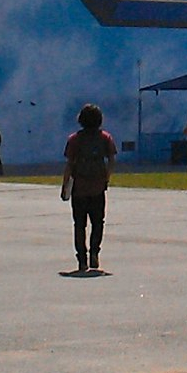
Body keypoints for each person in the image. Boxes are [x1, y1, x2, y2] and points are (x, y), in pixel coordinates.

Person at [61, 104, 117, 271]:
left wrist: (65, 185)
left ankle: (81, 259)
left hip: (79, 187)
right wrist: (106, 178)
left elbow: (69, 165)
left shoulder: (74, 139)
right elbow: (112, 161)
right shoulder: (105, 137)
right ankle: (94, 252)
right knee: (98, 222)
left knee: (79, 224)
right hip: (98, 187)